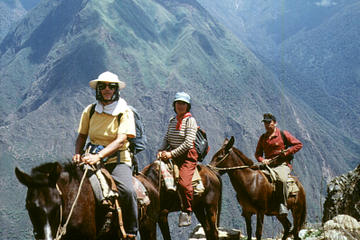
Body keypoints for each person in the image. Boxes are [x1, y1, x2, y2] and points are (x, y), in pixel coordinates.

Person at [72, 71, 137, 239]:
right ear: (98, 89)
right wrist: (77, 153)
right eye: (103, 86)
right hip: (91, 156)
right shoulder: (91, 110)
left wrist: (99, 157)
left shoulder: (124, 111)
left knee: (127, 191)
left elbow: (121, 140)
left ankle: (130, 231)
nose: (107, 89)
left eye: (111, 86)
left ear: (116, 89)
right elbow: (81, 136)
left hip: (117, 159)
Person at [157, 92, 199, 227]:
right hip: (172, 153)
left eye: (183, 104)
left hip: (187, 157)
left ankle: (187, 211)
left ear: (187, 106)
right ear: (174, 105)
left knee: (183, 183)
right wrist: (161, 150)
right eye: (178, 103)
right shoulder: (172, 120)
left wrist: (171, 154)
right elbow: (167, 138)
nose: (180, 106)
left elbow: (188, 143)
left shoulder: (190, 121)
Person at [255, 113, 303, 215]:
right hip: (268, 165)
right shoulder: (263, 138)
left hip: (281, 164)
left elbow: (298, 144)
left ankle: (282, 204)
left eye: (269, 122)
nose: (267, 125)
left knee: (282, 179)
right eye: (265, 123)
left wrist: (287, 152)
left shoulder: (283, 134)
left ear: (275, 123)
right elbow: (258, 154)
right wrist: (262, 160)